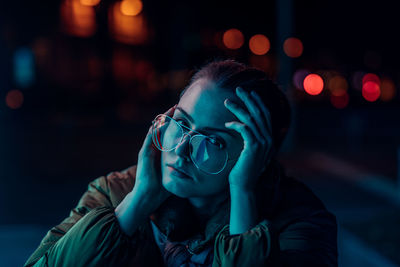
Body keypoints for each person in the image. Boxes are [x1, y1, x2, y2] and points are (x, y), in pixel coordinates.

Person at [24, 59, 338, 267]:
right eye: (181, 124)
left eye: (212, 141)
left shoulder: (300, 220)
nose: (182, 149)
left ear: (256, 155)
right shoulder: (116, 191)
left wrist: (243, 194)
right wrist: (139, 201)